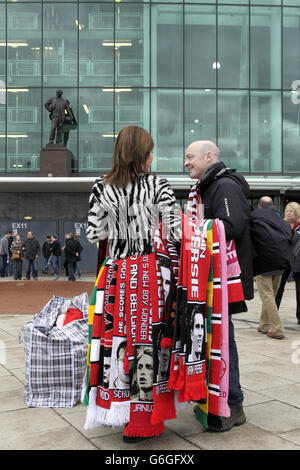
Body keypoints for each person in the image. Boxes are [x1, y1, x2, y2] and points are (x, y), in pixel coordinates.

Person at [84, 125, 181, 443]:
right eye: (151, 151)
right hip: (152, 274)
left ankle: (120, 408)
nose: (153, 157)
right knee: (149, 339)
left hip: (119, 274)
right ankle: (143, 419)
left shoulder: (101, 186)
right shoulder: (159, 185)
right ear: (142, 154)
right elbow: (177, 231)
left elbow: (94, 234)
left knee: (119, 338)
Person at [184, 140, 254, 432]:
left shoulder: (224, 186)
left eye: (190, 157)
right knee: (214, 339)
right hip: (210, 279)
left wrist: (192, 228)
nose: (186, 162)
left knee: (224, 341)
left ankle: (233, 404)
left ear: (208, 156)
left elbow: (232, 225)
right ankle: (218, 399)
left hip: (224, 281)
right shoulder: (204, 188)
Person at [255, 197, 285, 339]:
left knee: (267, 295)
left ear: (260, 206)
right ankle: (264, 324)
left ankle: (277, 328)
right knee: (271, 295)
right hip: (280, 262)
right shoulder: (280, 218)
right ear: (273, 206)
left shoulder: (257, 217)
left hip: (264, 261)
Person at [276, 201, 300, 325]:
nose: (289, 213)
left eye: (291, 211)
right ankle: (273, 314)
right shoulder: (282, 225)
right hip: (284, 261)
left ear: (297, 213)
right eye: (287, 211)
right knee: (278, 289)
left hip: (298, 262)